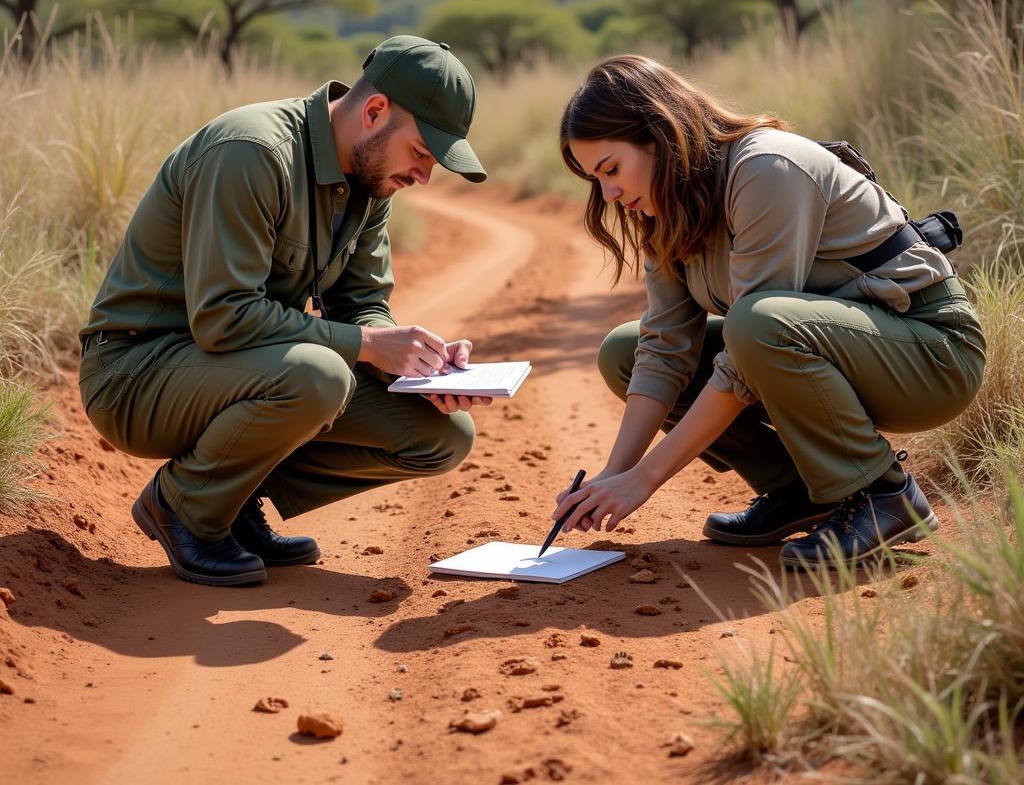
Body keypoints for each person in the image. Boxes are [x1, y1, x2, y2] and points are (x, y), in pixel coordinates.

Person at [79, 35, 493, 587]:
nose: (424, 176)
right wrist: (368, 347)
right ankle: (183, 505)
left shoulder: (371, 183)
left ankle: (232, 494)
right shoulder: (251, 151)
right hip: (136, 374)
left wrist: (416, 363)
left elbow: (362, 303)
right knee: (317, 376)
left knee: (443, 435)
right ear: (374, 112)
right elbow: (224, 317)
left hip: (237, 371)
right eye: (421, 153)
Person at [550, 55, 986, 568]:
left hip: (929, 353)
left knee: (756, 323)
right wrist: (612, 475)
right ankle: (799, 489)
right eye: (594, 180)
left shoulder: (766, 168)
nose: (609, 194)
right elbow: (666, 346)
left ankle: (883, 495)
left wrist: (645, 478)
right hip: (835, 344)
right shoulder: (662, 206)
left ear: (661, 135)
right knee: (624, 351)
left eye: (612, 170)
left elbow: (749, 349)